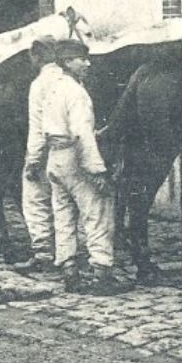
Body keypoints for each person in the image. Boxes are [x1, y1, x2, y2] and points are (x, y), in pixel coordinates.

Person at [33, 38, 123, 294]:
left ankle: (69, 271)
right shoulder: (76, 92)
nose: (87, 63)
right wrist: (97, 170)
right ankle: (102, 274)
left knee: (63, 216)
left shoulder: (52, 89)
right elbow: (82, 133)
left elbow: (44, 128)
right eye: (82, 59)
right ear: (67, 62)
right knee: (98, 211)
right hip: (75, 157)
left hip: (55, 157)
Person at [14, 36, 61, 272]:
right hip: (68, 150)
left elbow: (37, 126)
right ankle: (67, 254)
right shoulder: (69, 80)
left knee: (35, 201)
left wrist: (33, 161)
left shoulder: (39, 84)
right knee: (64, 204)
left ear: (37, 56)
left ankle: (43, 253)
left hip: (46, 151)